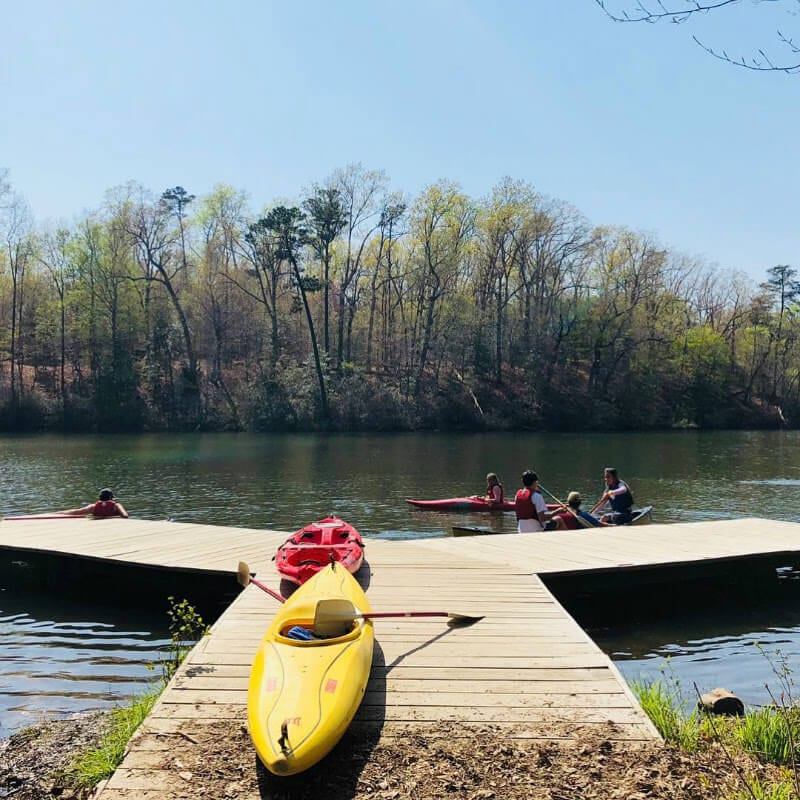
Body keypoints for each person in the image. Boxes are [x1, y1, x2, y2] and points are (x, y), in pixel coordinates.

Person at [58, 488, 129, 519]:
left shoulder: (93, 507)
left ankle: (57, 513)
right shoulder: (116, 505)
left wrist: (58, 513)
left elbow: (75, 512)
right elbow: (125, 516)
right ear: (111, 497)